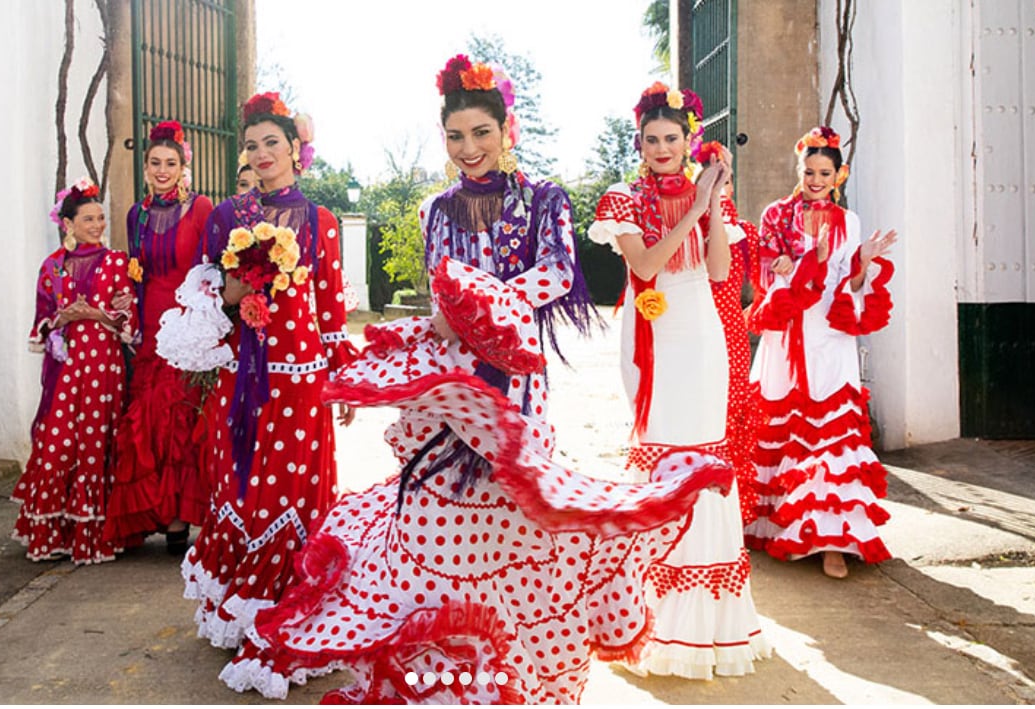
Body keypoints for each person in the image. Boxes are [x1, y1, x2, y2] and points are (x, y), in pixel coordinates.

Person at [209, 54, 735, 705]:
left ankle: (511, 672)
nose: (469, 148)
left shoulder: (543, 199)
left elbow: (556, 276)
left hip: (516, 389)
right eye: (455, 136)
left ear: (505, 129)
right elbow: (439, 293)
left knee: (513, 530)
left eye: (480, 133)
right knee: (443, 531)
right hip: (451, 390)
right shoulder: (434, 208)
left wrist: (485, 301)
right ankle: (449, 676)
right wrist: (445, 323)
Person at [587, 82, 770, 679]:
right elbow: (644, 265)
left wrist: (713, 205)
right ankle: (652, 619)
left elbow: (720, 270)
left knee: (707, 459)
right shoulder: (622, 198)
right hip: (653, 333)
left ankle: (711, 627)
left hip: (703, 335)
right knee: (660, 455)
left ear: (690, 140)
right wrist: (694, 207)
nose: (662, 148)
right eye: (652, 140)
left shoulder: (708, 194)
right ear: (639, 144)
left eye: (673, 138)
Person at [170, 93, 359, 647]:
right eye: (251, 145)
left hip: (301, 373)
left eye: (271, 142)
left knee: (294, 487)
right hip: (243, 370)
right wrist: (243, 279)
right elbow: (212, 292)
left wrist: (340, 376)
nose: (260, 153)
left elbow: (328, 305)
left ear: (296, 149)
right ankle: (239, 607)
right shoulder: (229, 216)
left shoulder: (320, 220)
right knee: (241, 481)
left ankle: (291, 607)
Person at [744, 126, 898, 579]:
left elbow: (847, 286)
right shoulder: (775, 215)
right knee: (782, 421)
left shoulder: (847, 222)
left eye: (824, 172)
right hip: (788, 331)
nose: (815, 179)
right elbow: (764, 275)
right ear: (799, 170)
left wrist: (863, 260)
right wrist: (781, 269)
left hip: (831, 332)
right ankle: (779, 529)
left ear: (838, 176)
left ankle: (833, 541)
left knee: (832, 432)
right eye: (808, 171)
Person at [104, 120, 215, 554]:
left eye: (171, 162)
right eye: (155, 163)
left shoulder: (201, 208)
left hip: (187, 323)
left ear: (183, 166)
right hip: (150, 324)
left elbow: (211, 269)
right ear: (146, 168)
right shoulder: (138, 213)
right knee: (147, 418)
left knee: (180, 419)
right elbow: (136, 271)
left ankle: (178, 521)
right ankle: (151, 513)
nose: (163, 170)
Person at [12, 179, 136, 564]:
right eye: (88, 219)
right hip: (67, 367)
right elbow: (41, 321)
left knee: (97, 442)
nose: (98, 225)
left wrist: (97, 314)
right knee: (58, 444)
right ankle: (56, 533)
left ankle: (96, 534)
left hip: (104, 366)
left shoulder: (117, 262)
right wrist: (62, 318)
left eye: (101, 218)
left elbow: (130, 318)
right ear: (69, 223)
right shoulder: (51, 267)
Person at [713, 181, 760, 527]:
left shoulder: (745, 231)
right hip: (693, 325)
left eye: (726, 181)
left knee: (732, 410)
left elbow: (764, 280)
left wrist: (753, 310)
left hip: (730, 328)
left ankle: (735, 512)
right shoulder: (690, 223)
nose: (721, 188)